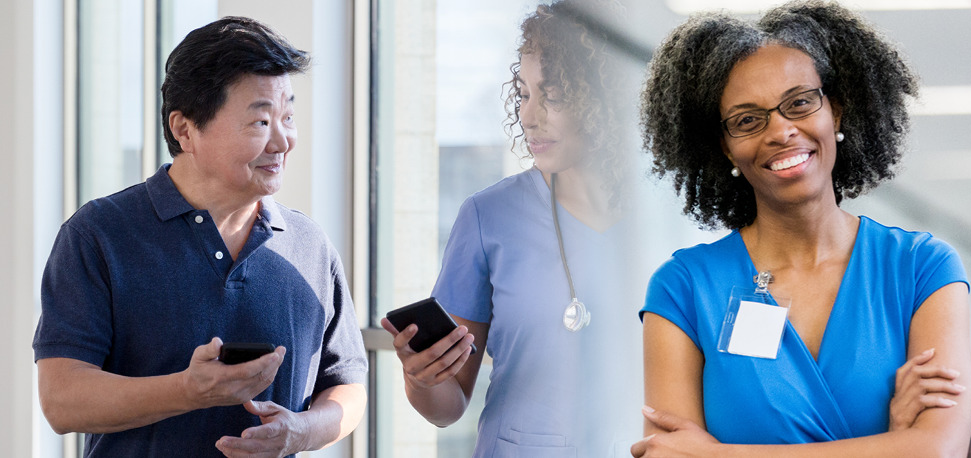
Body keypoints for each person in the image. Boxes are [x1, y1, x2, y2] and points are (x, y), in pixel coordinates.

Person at [631, 1, 971, 457]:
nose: (781, 131)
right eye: (748, 120)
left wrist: (721, 454)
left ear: (837, 111)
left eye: (799, 103)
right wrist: (892, 443)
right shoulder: (684, 288)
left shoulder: (921, 268)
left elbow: (937, 450)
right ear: (726, 148)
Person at [33, 16, 368, 457]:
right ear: (184, 129)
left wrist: (301, 431)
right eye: (260, 122)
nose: (283, 141)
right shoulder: (98, 233)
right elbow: (62, 400)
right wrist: (190, 390)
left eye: (287, 116)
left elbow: (347, 387)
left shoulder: (308, 244)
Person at [381, 2, 650, 456]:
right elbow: (449, 406)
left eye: (554, 96)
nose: (529, 115)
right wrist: (420, 377)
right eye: (524, 93)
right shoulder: (488, 216)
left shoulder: (671, 217)